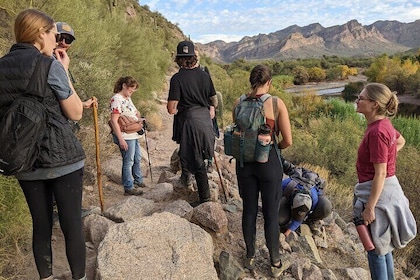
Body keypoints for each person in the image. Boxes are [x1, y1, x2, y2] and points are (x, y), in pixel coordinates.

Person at [0, 9, 87, 280]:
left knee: (41, 226)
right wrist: (65, 72)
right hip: (63, 160)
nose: (55, 38)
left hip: (24, 160)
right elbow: (75, 112)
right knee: (72, 225)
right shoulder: (48, 66)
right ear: (40, 34)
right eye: (52, 33)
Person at [233, 65, 292, 277]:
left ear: (251, 81)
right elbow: (288, 140)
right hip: (269, 164)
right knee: (270, 213)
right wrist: (274, 147)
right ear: (269, 83)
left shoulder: (239, 102)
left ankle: (249, 256)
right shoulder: (276, 103)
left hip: (244, 164)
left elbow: (239, 133)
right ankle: (275, 262)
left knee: (249, 209)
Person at [353, 83, 416, 280]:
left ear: (373, 104)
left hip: (379, 195)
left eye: (361, 97)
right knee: (384, 246)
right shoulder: (383, 125)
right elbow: (400, 141)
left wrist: (370, 207)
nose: (357, 100)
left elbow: (380, 174)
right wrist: (389, 156)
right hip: (386, 191)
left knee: (376, 249)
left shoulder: (377, 132)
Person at [167, 40, 217, 207]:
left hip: (189, 122)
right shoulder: (205, 75)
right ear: (194, 58)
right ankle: (186, 181)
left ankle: (205, 199)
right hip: (205, 121)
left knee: (195, 160)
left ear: (179, 59)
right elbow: (214, 102)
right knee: (197, 155)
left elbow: (171, 109)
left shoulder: (177, 78)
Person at [109, 76, 146, 196]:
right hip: (125, 135)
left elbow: (134, 113)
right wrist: (120, 139)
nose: (132, 92)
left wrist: (139, 119)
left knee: (137, 157)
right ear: (124, 86)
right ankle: (128, 186)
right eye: (131, 89)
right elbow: (114, 121)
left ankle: (138, 179)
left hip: (133, 133)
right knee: (128, 160)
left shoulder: (127, 98)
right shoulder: (117, 99)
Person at [278, 165, 332, 237]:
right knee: (279, 220)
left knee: (326, 206)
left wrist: (289, 231)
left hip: (309, 197)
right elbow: (272, 195)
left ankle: (311, 220)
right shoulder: (287, 185)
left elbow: (300, 217)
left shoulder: (314, 199)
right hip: (288, 198)